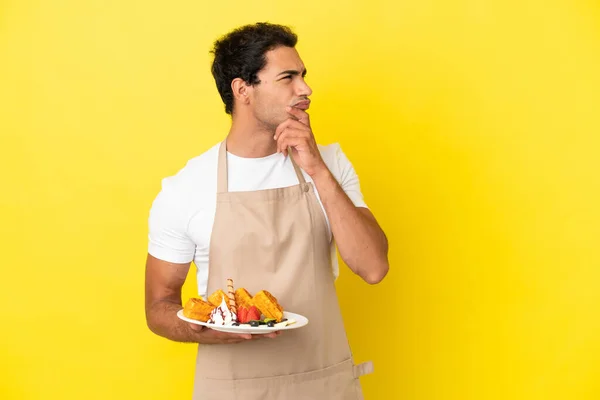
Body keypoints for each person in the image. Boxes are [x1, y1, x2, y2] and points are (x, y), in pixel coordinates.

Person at [144, 22, 389, 400]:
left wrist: (317, 170)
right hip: (233, 388)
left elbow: (373, 267)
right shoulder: (185, 189)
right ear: (243, 90)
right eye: (288, 78)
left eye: (304, 76)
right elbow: (158, 306)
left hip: (324, 382)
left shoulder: (331, 164)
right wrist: (204, 328)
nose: (305, 89)